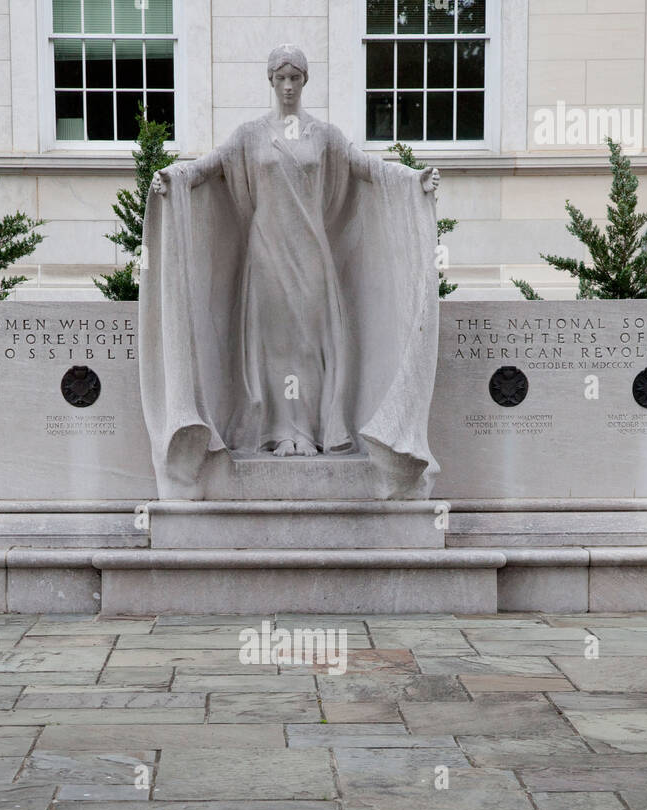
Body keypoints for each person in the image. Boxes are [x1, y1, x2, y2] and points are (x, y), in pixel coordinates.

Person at [141, 45, 442, 499]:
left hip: (311, 253)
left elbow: (367, 167)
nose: (287, 86)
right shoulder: (249, 135)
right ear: (270, 81)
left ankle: (315, 431)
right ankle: (280, 430)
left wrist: (414, 180)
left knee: (309, 344)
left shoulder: (324, 136)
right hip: (265, 252)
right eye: (280, 77)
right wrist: (173, 179)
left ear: (304, 82)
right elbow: (206, 168)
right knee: (275, 345)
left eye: (295, 78)